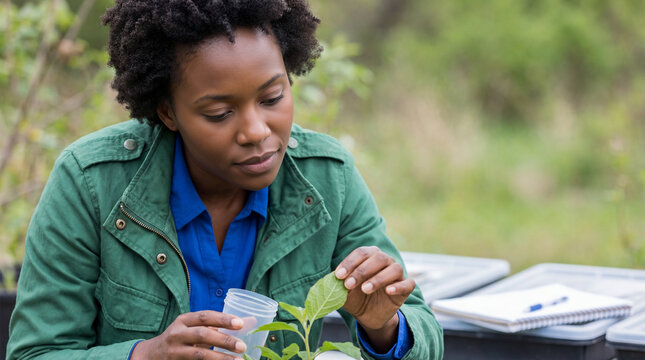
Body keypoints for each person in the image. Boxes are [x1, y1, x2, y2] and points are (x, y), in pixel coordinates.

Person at [7, 1, 444, 359]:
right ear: (167, 112)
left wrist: (384, 326)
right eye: (219, 113)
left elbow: (425, 333)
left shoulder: (328, 180)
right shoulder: (90, 184)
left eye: (273, 97)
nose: (256, 131)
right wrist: (145, 355)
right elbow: (36, 353)